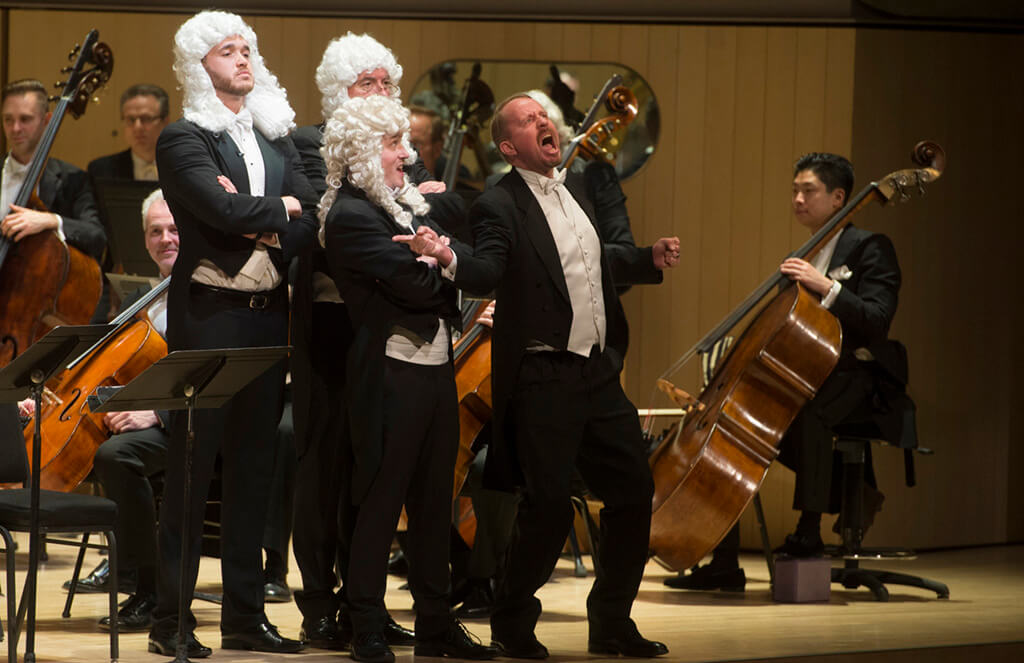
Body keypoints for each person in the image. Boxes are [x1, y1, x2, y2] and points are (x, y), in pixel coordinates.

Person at [396, 93, 676, 659]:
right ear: (508, 147)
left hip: (597, 372)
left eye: (544, 116)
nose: (543, 123)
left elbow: (592, 261)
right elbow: (489, 267)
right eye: (528, 121)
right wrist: (449, 258)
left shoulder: (574, 190)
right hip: (543, 374)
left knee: (634, 490)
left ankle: (612, 620)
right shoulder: (500, 205)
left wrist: (648, 258)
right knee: (547, 506)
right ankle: (512, 620)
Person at [148, 10, 318, 657]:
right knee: (192, 477)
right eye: (227, 50)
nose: (243, 58)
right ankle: (171, 621)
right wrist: (280, 211)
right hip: (210, 316)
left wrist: (270, 216)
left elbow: (309, 224)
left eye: (248, 48)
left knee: (253, 473)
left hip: (269, 315)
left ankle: (245, 617)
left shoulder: (280, 140)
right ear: (201, 64)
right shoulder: (183, 137)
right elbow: (216, 211)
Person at [665, 152, 901, 591]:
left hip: (860, 378)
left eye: (807, 190)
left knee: (807, 411)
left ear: (838, 198)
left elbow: (877, 321)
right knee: (732, 418)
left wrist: (826, 286)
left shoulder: (870, 247)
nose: (797, 199)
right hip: (810, 376)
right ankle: (724, 560)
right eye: (794, 190)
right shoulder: (804, 252)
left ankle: (808, 532)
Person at [320, 94, 493, 663]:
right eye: (394, 144)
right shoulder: (350, 214)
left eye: (405, 142)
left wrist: (436, 258)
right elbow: (420, 288)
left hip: (435, 367)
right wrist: (438, 266)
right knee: (380, 500)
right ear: (363, 152)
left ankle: (436, 624)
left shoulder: (400, 205)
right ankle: (365, 621)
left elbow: (456, 254)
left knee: (432, 501)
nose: (408, 155)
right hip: (389, 374)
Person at [289, 32, 427, 652]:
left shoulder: (399, 144)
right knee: (325, 462)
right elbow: (324, 225)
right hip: (329, 322)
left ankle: (361, 599)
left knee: (372, 464)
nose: (378, 93)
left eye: (384, 82)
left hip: (387, 324)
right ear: (337, 91)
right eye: (363, 83)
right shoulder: (305, 144)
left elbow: (423, 217)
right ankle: (317, 601)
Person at [1, 78, 106, 263]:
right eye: (8, 119)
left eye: (25, 119)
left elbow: (96, 236)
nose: (15, 128)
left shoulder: (73, 179)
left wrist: (52, 221)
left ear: (47, 120)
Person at [87, 84, 171, 181]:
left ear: (166, 122)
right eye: (130, 119)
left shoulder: (183, 166)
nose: (137, 127)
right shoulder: (101, 171)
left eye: (146, 118)